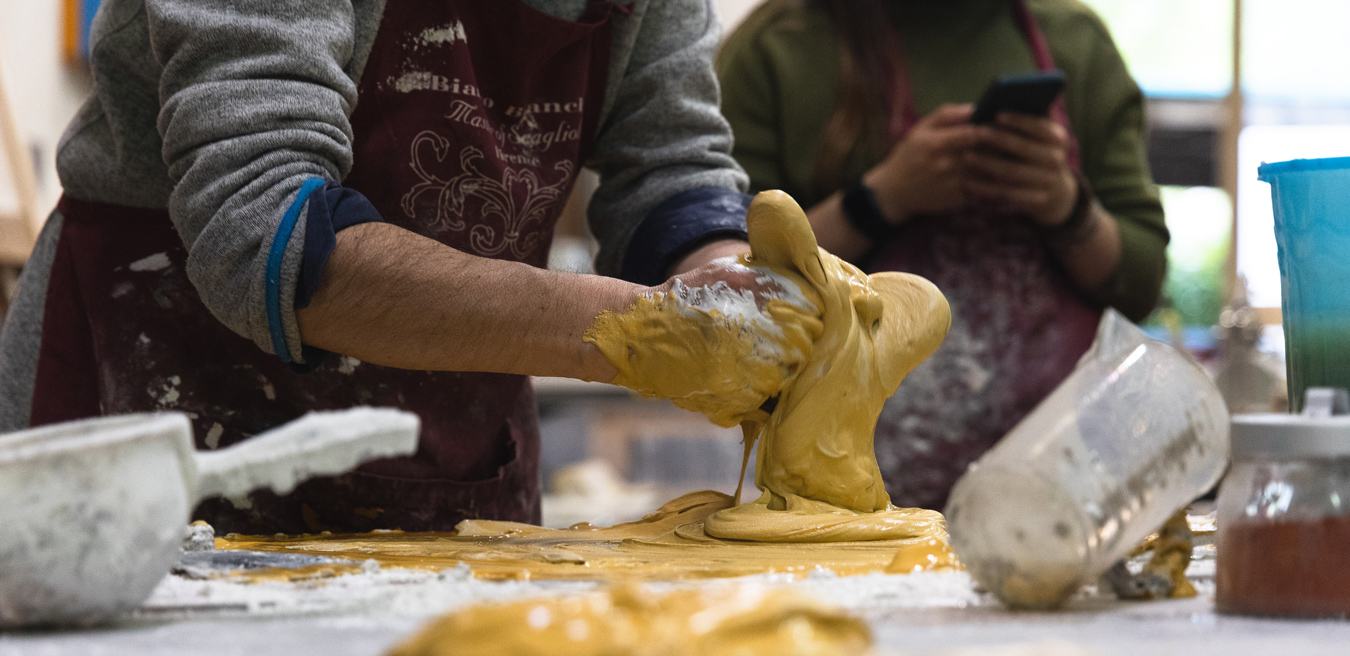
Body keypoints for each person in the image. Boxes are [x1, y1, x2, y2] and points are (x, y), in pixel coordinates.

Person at [0, 0, 819, 534]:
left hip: (450, 456)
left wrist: (728, 283)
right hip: (157, 406)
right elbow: (265, 230)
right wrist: (644, 334)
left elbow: (669, 171)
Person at [717, 0, 1170, 509]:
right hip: (843, 500)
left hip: (1067, 492)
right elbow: (727, 293)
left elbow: (1140, 281)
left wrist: (1066, 207)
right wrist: (881, 200)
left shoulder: (1076, 42)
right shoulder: (780, 48)